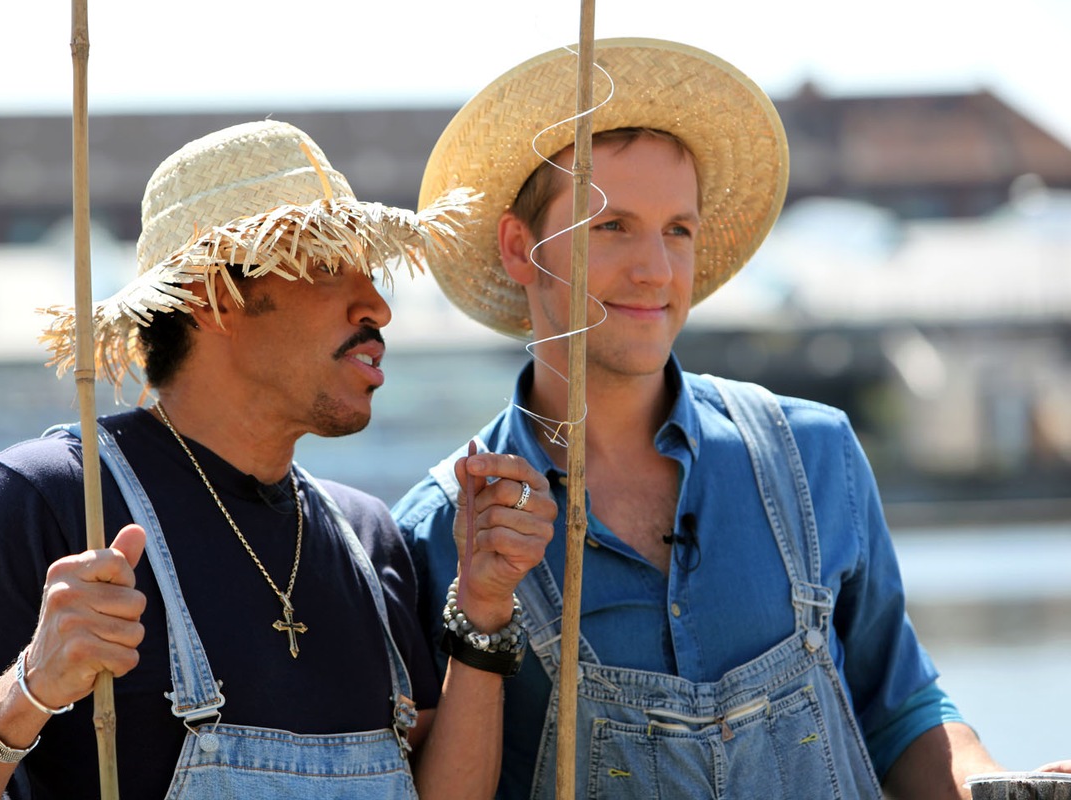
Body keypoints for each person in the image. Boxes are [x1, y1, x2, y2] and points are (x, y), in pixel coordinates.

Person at [393, 38, 1022, 799]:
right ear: (521, 248)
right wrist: (482, 616)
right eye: (612, 226)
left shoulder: (816, 456)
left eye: (678, 229)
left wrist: (989, 783)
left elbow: (902, 711)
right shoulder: (436, 535)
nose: (655, 268)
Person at [0, 120, 555, 799]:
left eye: (372, 273)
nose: (378, 306)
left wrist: (483, 609)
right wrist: (29, 690)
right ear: (216, 297)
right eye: (324, 266)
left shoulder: (367, 535)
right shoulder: (49, 498)